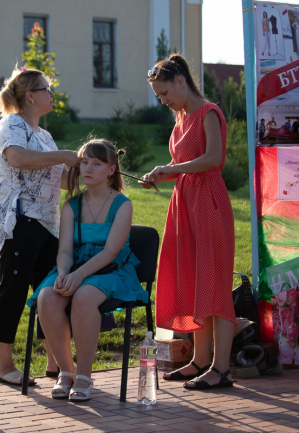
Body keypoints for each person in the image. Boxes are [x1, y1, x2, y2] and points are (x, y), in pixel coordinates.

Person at [141, 53, 237, 390]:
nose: (163, 101)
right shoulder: (181, 118)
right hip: (185, 204)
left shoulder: (208, 112)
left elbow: (212, 159)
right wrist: (160, 174)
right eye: (159, 96)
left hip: (209, 202)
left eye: (165, 93)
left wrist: (172, 169)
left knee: (216, 283)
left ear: (181, 81)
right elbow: (184, 164)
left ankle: (221, 369)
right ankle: (199, 360)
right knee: (197, 282)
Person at [29, 139, 147, 401]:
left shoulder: (122, 205)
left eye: (97, 163)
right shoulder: (72, 205)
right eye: (84, 162)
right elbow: (65, 250)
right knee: (47, 297)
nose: (88, 168)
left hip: (111, 270)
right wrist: (63, 273)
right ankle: (65, 371)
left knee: (83, 297)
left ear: (111, 170)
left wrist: (79, 276)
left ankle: (84, 375)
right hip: (74, 267)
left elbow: (110, 252)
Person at [0, 66, 80, 386]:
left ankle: (56, 364)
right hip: (20, 221)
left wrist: (96, 172)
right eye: (46, 89)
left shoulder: (45, 135)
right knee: (12, 291)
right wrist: (64, 155)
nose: (51, 94)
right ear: (30, 96)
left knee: (50, 294)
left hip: (48, 225)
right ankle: (5, 366)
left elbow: (62, 180)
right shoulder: (11, 124)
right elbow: (18, 159)